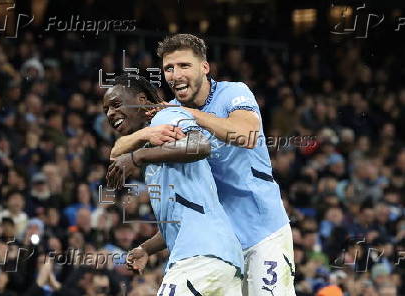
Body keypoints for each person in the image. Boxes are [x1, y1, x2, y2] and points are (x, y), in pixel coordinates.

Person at [112, 34, 295, 295]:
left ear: (204, 68)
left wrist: (189, 114)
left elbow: (246, 135)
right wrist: (147, 248)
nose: (175, 74)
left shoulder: (233, 93)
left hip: (262, 232)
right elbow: (119, 152)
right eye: (169, 68)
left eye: (184, 66)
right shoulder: (172, 114)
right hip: (221, 246)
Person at [104, 74, 244, 295]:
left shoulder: (165, 118)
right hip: (220, 260)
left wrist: (137, 156)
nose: (111, 113)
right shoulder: (154, 152)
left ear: (141, 101)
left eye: (116, 104)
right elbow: (181, 220)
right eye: (106, 111)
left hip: (200, 258)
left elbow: (200, 145)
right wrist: (145, 249)